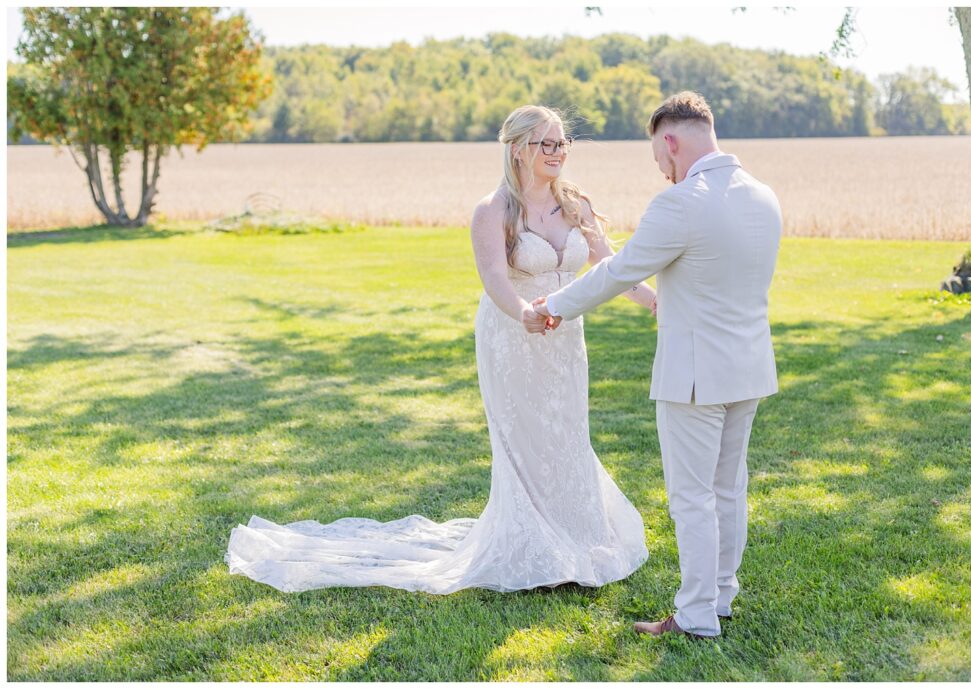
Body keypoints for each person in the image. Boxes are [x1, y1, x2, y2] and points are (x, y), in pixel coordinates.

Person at [224, 104, 655, 593]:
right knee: (524, 444)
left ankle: (578, 539)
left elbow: (610, 265)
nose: (558, 153)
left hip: (564, 343)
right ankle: (533, 549)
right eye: (547, 143)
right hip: (511, 336)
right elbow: (494, 278)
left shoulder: (576, 203)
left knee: (566, 434)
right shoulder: (494, 211)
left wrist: (653, 302)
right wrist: (524, 313)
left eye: (562, 143)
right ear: (518, 150)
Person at [533, 92, 782, 638]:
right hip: (750, 367)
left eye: (659, 160)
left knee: (692, 497)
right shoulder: (763, 196)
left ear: (670, 141)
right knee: (728, 489)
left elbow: (618, 272)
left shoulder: (681, 202)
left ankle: (695, 616)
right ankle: (720, 598)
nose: (663, 174)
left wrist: (551, 306)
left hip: (694, 375)